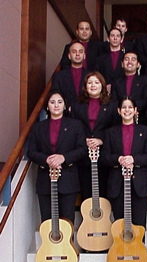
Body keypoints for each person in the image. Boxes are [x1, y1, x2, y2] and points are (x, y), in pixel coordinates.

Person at [27, 91, 87, 225]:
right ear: (47, 106)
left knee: (67, 222)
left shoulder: (75, 125)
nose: (56, 105)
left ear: (65, 106)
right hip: (45, 180)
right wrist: (47, 160)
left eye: (60, 102)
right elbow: (31, 152)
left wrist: (63, 158)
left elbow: (82, 149)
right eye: (52, 102)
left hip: (68, 180)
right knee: (47, 222)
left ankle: (67, 247)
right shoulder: (38, 127)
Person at [102, 97, 147, 229]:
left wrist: (134, 159)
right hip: (117, 183)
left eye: (130, 107)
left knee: (139, 225)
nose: (127, 110)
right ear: (119, 111)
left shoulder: (145, 131)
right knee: (119, 224)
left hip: (139, 184)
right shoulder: (110, 132)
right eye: (124, 107)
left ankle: (139, 250)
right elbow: (104, 157)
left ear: (135, 110)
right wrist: (118, 159)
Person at [71, 71, 120, 200]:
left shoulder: (112, 105)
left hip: (104, 153)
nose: (93, 85)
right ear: (85, 86)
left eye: (96, 82)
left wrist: (101, 140)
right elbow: (73, 128)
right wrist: (84, 140)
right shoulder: (77, 105)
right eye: (90, 82)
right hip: (84, 153)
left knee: (104, 192)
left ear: (102, 85)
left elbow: (115, 129)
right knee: (86, 191)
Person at [111, 51, 147, 125]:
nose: (130, 62)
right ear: (122, 64)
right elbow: (114, 101)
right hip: (119, 120)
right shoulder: (116, 82)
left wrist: (131, 109)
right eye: (126, 59)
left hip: (140, 119)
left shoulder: (145, 81)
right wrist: (124, 110)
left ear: (138, 64)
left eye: (133, 59)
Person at [51, 41, 90, 106]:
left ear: (84, 56)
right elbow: (55, 97)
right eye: (74, 52)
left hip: (86, 114)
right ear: (69, 56)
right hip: (66, 113)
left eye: (80, 52)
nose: (77, 54)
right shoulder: (58, 76)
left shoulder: (91, 76)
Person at [96, 27, 125, 95]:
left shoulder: (126, 58)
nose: (115, 38)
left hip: (122, 92)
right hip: (105, 93)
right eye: (112, 36)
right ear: (108, 39)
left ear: (121, 39)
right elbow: (97, 75)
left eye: (118, 36)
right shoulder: (100, 59)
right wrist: (104, 86)